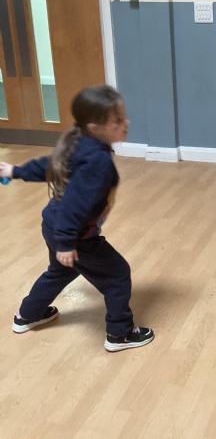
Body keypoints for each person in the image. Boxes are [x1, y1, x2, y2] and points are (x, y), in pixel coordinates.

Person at [0, 84, 154, 352]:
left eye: (124, 116)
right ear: (95, 127)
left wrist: (16, 171)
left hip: (54, 224)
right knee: (117, 275)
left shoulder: (78, 141)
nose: (125, 123)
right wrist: (66, 243)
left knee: (60, 271)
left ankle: (28, 315)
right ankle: (120, 333)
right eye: (117, 120)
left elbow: (50, 165)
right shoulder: (97, 162)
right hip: (75, 235)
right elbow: (74, 205)